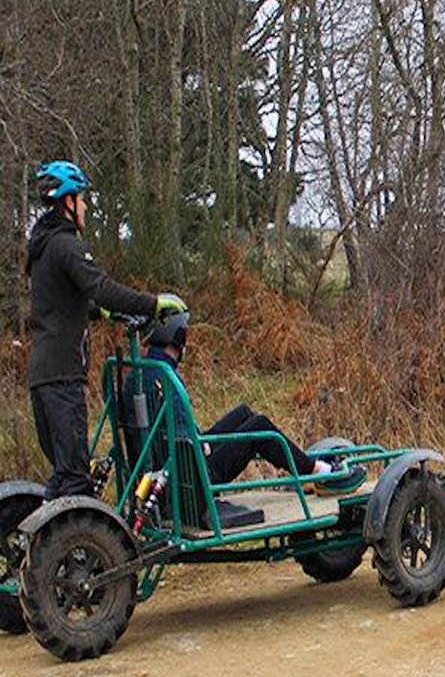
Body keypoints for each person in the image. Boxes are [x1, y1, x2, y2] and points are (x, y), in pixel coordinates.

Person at [26, 160, 187, 499]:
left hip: (42, 375)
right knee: (75, 480)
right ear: (68, 202)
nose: (85, 207)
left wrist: (102, 313)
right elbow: (101, 287)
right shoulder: (66, 245)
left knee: (65, 474)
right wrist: (152, 303)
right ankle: (79, 550)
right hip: (62, 377)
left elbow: (67, 303)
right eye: (82, 199)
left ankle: (44, 544)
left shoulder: (41, 250)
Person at [126, 311, 341, 487]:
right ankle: (316, 471)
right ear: (178, 337)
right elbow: (184, 439)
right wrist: (201, 447)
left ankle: (299, 466)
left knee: (244, 413)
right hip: (194, 481)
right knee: (259, 425)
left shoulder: (141, 373)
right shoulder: (165, 378)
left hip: (176, 467)